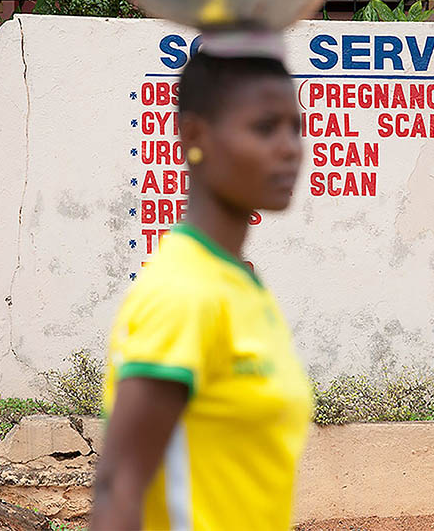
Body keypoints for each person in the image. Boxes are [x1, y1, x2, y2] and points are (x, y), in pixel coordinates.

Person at [91, 48, 310, 531]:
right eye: (264, 127)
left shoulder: (241, 286)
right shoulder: (184, 294)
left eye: (295, 127)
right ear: (194, 136)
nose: (291, 147)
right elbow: (117, 492)